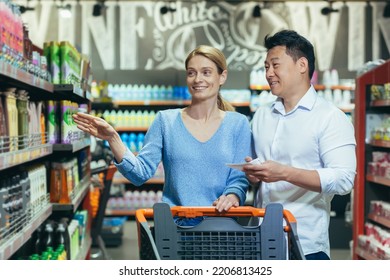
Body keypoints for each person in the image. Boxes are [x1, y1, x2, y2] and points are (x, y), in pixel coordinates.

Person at [73, 45, 252, 225]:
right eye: (191, 73)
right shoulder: (165, 121)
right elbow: (139, 174)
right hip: (176, 231)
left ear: (222, 76)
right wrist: (113, 138)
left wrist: (233, 195)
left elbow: (238, 178)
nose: (198, 79)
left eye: (206, 72)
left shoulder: (238, 123)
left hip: (222, 228)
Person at [243, 30, 356, 260]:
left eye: (275, 65)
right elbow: (256, 172)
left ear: (302, 65)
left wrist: (284, 173)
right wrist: (252, 175)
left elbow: (344, 179)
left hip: (305, 245)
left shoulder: (329, 117)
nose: (269, 73)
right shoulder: (262, 115)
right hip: (260, 240)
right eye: (266, 67)